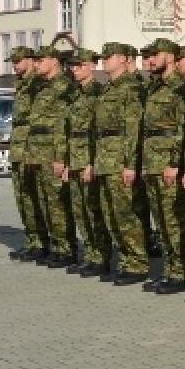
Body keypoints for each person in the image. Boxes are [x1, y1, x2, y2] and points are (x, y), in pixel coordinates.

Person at [140, 40, 185, 293]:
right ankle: (170, 269)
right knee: (162, 222)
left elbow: (183, 129)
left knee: (175, 220)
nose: (151, 60)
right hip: (152, 162)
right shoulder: (154, 87)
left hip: (168, 165)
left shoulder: (181, 88)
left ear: (171, 57)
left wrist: (176, 163)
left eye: (156, 55)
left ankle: (181, 273)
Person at [93, 43, 150, 285]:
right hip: (106, 158)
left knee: (127, 213)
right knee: (111, 213)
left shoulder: (131, 88)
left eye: (109, 57)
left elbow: (133, 130)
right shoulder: (108, 88)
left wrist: (130, 164)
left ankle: (137, 263)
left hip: (119, 159)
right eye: (103, 57)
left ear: (125, 59)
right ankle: (125, 259)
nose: (104, 60)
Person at [62, 49, 111, 276]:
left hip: (89, 157)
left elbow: (97, 133)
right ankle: (91, 254)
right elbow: (68, 131)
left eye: (80, 65)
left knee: (93, 210)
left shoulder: (98, 94)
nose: (75, 69)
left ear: (92, 66)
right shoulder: (75, 94)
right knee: (80, 210)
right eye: (73, 66)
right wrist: (66, 162)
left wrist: (92, 163)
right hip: (74, 156)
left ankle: (101, 256)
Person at [28, 47, 78, 268]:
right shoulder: (42, 87)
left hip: (52, 151)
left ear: (55, 62)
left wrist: (60, 156)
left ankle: (67, 248)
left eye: (41, 60)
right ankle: (56, 245)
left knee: (58, 202)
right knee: (45, 201)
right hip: (39, 152)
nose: (37, 64)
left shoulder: (63, 87)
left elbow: (62, 125)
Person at [7, 46, 48, 261]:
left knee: (35, 196)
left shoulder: (38, 82)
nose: (14, 65)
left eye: (18, 60)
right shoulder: (22, 84)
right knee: (23, 196)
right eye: (13, 61)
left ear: (31, 60)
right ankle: (33, 240)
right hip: (18, 145)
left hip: (31, 145)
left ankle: (42, 242)